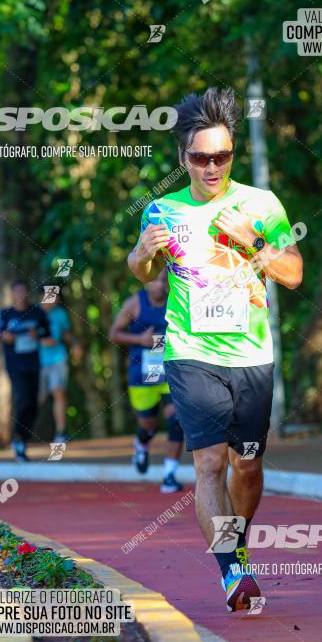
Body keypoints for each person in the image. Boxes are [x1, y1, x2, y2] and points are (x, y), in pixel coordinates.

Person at [127, 86, 303, 612]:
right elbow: (144, 272)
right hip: (190, 350)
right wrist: (141, 252)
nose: (212, 168)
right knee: (208, 464)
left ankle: (236, 541)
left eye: (222, 157)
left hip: (250, 354)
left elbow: (292, 274)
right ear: (183, 158)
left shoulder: (261, 204)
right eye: (201, 158)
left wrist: (253, 240)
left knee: (246, 465)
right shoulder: (162, 210)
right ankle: (231, 570)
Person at [109, 269, 184, 493]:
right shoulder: (134, 304)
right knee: (148, 425)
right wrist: (140, 339)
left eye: (164, 280)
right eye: (155, 281)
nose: (160, 285)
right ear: (146, 283)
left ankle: (169, 474)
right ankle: (141, 444)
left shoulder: (176, 301)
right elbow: (114, 333)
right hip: (143, 372)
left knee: (176, 420)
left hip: (170, 368)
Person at [0, 281, 50, 462]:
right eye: (17, 291)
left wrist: (39, 335)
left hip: (34, 365)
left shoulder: (37, 313)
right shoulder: (5, 314)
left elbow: (47, 333)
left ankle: (23, 440)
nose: (20, 295)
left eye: (23, 291)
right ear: (12, 294)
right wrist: (5, 337)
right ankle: (18, 439)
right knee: (23, 400)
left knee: (33, 403)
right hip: (15, 366)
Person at [39, 286, 81, 444]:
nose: (54, 299)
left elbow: (66, 333)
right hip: (37, 362)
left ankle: (61, 432)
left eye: (55, 296)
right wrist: (40, 340)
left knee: (59, 392)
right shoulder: (34, 313)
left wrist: (75, 344)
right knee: (38, 398)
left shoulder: (60, 314)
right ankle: (25, 435)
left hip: (58, 358)